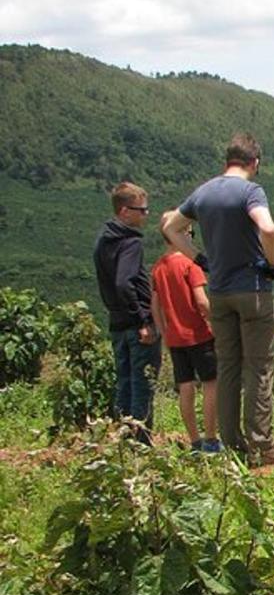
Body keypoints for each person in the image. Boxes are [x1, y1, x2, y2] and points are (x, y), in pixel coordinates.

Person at [160, 133, 274, 465]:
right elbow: (269, 229)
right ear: (255, 163)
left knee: (229, 367)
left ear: (227, 162)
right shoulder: (251, 191)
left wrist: (199, 258)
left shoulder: (203, 192)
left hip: (218, 292)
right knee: (259, 367)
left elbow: (172, 228)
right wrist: (272, 265)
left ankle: (232, 445)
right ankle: (262, 444)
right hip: (253, 290)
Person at [93, 181, 161, 443]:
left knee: (124, 382)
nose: (146, 214)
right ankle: (140, 443)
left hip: (117, 322)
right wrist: (143, 319)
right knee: (142, 383)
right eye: (141, 210)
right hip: (136, 324)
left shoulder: (103, 240)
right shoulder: (130, 242)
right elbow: (124, 281)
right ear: (124, 211)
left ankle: (122, 439)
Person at [151, 224, 221, 453]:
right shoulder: (191, 265)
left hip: (175, 338)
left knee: (186, 387)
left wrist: (165, 333)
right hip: (199, 334)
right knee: (211, 383)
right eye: (190, 234)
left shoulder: (158, 268)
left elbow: (156, 306)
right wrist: (215, 322)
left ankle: (194, 441)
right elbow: (201, 301)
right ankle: (211, 439)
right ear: (179, 236)